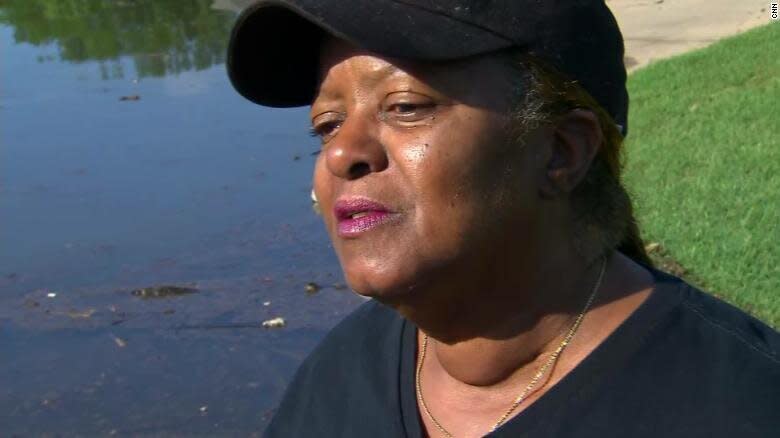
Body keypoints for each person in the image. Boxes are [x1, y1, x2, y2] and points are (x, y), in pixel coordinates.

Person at [226, 1, 780, 436]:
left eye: (405, 107)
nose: (341, 154)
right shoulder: (338, 382)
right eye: (326, 124)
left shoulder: (742, 406)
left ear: (562, 151)